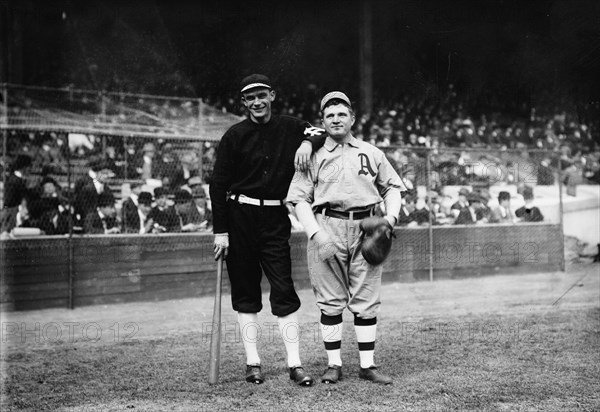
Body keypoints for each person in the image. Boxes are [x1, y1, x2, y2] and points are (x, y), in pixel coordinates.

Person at [209, 74, 326, 386]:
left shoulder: (291, 126)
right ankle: (253, 362)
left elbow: (319, 131)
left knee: (284, 289)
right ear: (244, 103)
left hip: (275, 218)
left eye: (262, 95)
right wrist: (221, 231)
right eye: (250, 98)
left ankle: (295, 364)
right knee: (245, 293)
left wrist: (305, 142)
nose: (257, 102)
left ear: (272, 95)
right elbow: (217, 185)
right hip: (239, 218)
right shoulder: (234, 135)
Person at [287, 91, 404, 385]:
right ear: (322, 122)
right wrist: (316, 234)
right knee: (330, 301)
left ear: (352, 118)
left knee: (366, 299)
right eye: (329, 115)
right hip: (326, 225)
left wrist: (389, 220)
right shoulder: (311, 155)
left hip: (367, 225)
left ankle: (367, 365)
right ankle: (334, 364)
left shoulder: (372, 152)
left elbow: (392, 188)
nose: (336, 119)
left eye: (341, 114)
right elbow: (299, 200)